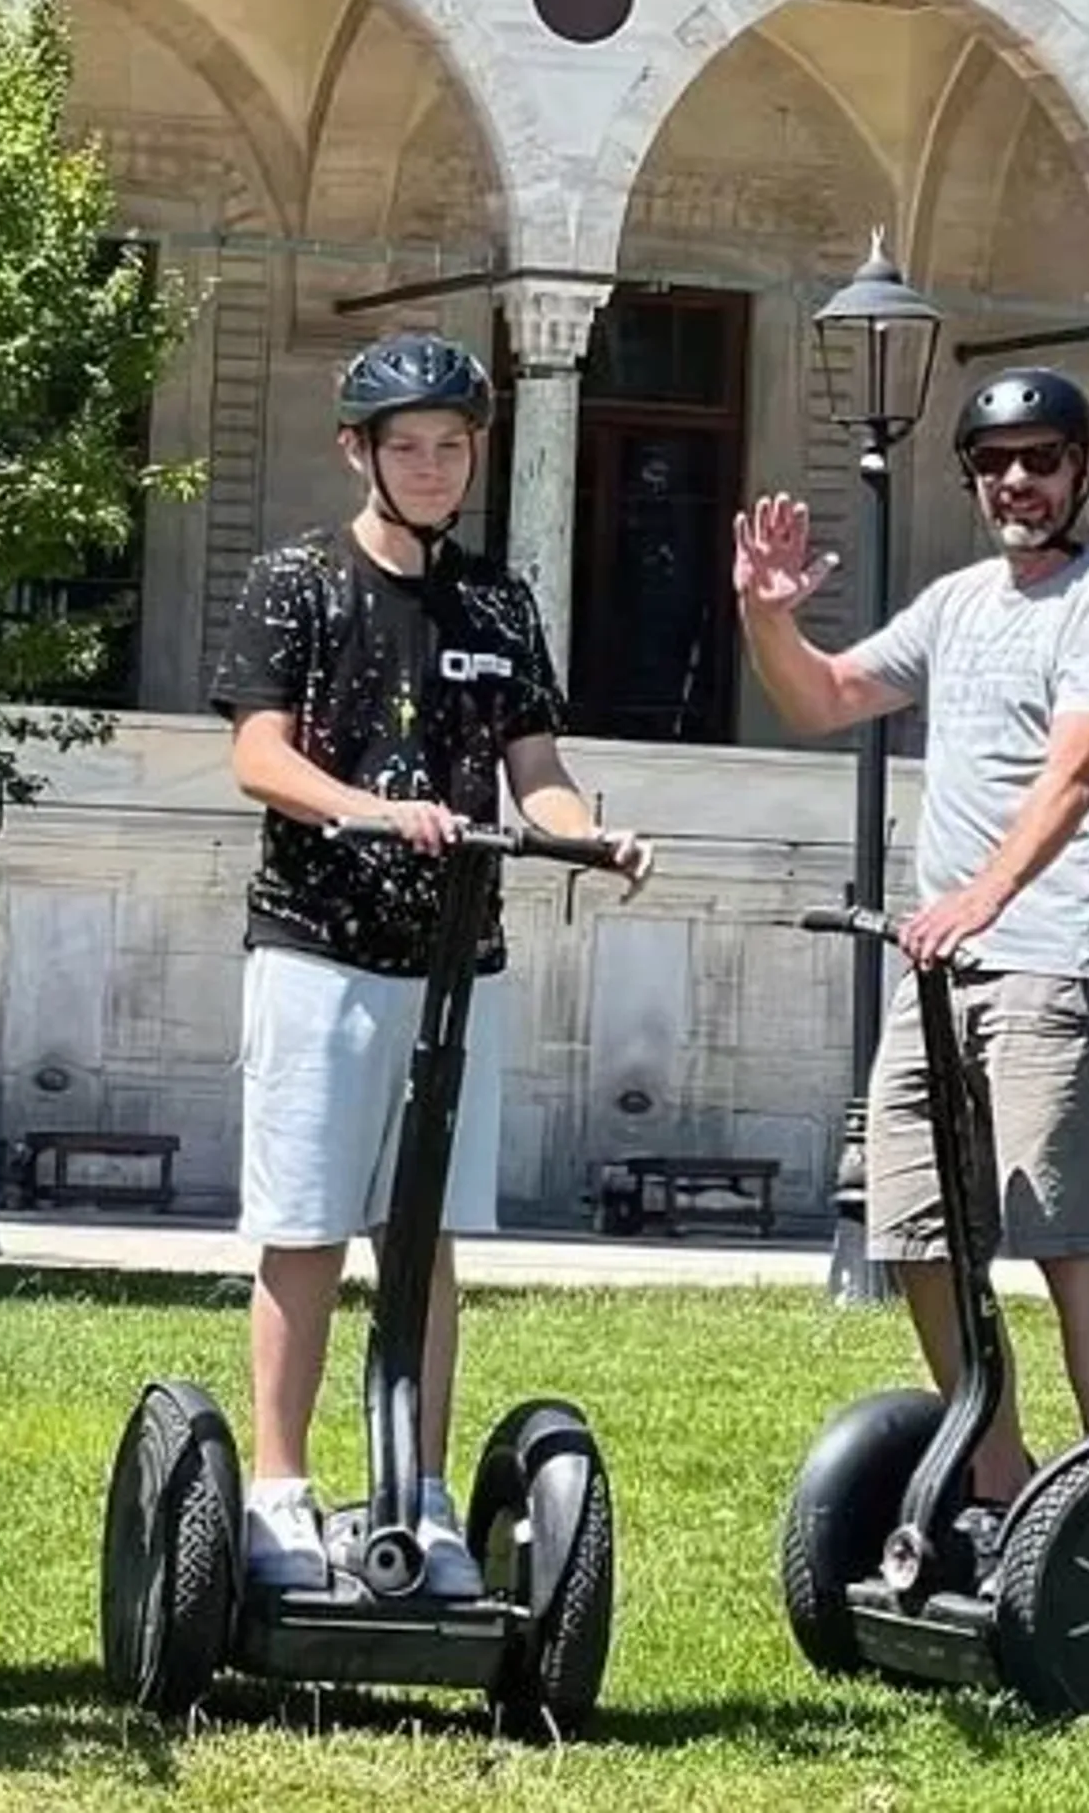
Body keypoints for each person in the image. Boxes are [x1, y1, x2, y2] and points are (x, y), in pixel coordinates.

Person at [209, 330, 654, 1593]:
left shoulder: (499, 602)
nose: (431, 463)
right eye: (406, 444)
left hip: (462, 958)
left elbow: (538, 768)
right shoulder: (297, 581)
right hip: (320, 945)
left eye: (452, 444)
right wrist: (361, 805)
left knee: (428, 1235)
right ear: (361, 451)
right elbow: (257, 754)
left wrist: (588, 833)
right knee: (303, 1225)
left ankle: (420, 1489)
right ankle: (282, 1489)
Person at [735, 365, 1089, 1519]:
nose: (1017, 481)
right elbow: (824, 697)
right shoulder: (960, 601)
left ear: (1084, 467)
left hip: (1061, 964)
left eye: (1040, 458)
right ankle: (997, 1468)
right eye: (995, 463)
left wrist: (984, 891)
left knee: (1065, 1237)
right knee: (915, 1227)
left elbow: (1078, 769)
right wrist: (766, 613)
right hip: (946, 965)